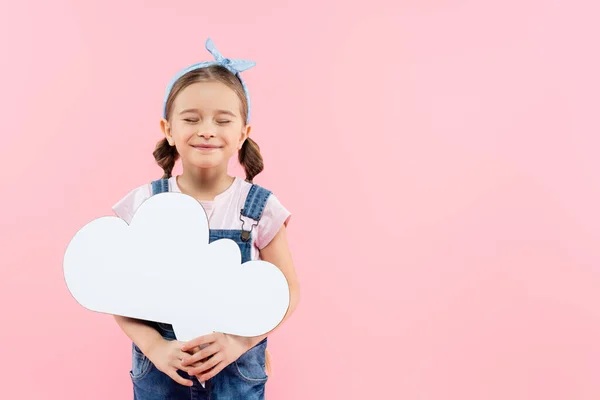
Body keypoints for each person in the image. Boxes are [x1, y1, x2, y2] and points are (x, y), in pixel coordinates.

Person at [111, 37, 300, 400]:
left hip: (237, 373)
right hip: (161, 374)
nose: (207, 129)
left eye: (222, 120)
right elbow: (116, 291)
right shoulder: (145, 204)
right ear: (168, 129)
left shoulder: (259, 208)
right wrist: (154, 347)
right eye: (192, 119)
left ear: (243, 134)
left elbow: (288, 292)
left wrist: (240, 341)